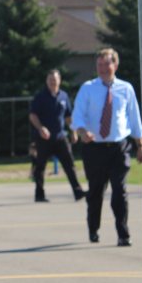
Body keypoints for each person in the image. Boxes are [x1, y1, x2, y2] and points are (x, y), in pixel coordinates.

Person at [72, 48, 142, 247]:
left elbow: (134, 118)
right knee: (95, 193)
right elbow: (78, 115)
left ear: (115, 65)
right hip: (94, 148)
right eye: (100, 65)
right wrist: (81, 131)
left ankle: (123, 234)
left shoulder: (126, 89)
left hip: (119, 148)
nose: (103, 69)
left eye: (107, 64)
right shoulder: (88, 88)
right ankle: (93, 228)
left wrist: (140, 145)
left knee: (119, 191)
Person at [28, 69, 87, 203]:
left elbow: (68, 116)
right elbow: (33, 115)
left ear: (59, 80)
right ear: (46, 81)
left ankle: (78, 192)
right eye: (50, 79)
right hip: (44, 139)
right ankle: (39, 194)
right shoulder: (40, 97)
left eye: (54, 79)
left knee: (70, 164)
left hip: (60, 137)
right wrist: (40, 127)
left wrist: (74, 131)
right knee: (40, 166)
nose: (52, 82)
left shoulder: (64, 96)